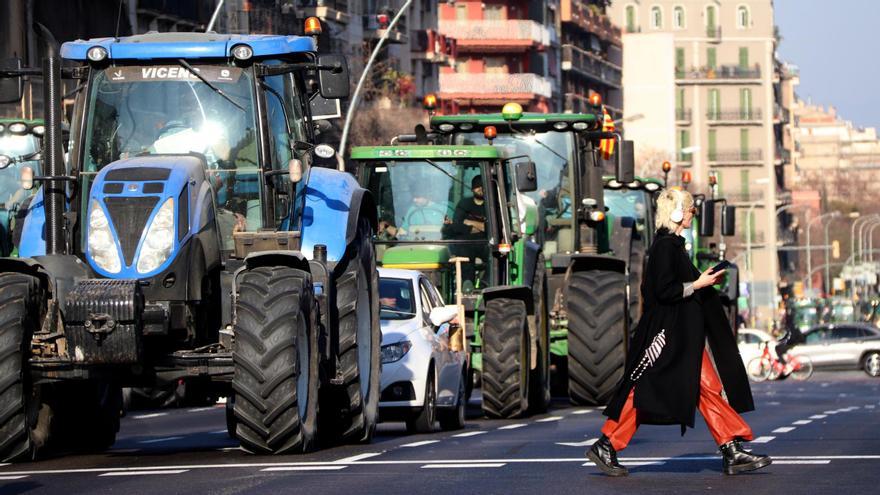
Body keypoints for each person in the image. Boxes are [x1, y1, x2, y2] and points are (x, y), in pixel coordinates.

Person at [587, 187, 771, 477]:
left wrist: (700, 281)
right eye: (690, 210)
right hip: (668, 333)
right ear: (676, 213)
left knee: (707, 388)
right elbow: (662, 291)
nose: (692, 215)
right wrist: (697, 285)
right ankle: (607, 443)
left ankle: (731, 447)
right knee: (644, 388)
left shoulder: (673, 246)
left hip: (684, 333)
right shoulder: (664, 247)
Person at [443, 175, 486, 239]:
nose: (480, 189)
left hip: (485, 243)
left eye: (482, 186)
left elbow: (492, 229)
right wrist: (481, 227)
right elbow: (456, 226)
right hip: (463, 244)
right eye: (477, 186)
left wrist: (470, 222)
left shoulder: (492, 206)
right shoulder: (464, 204)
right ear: (472, 189)